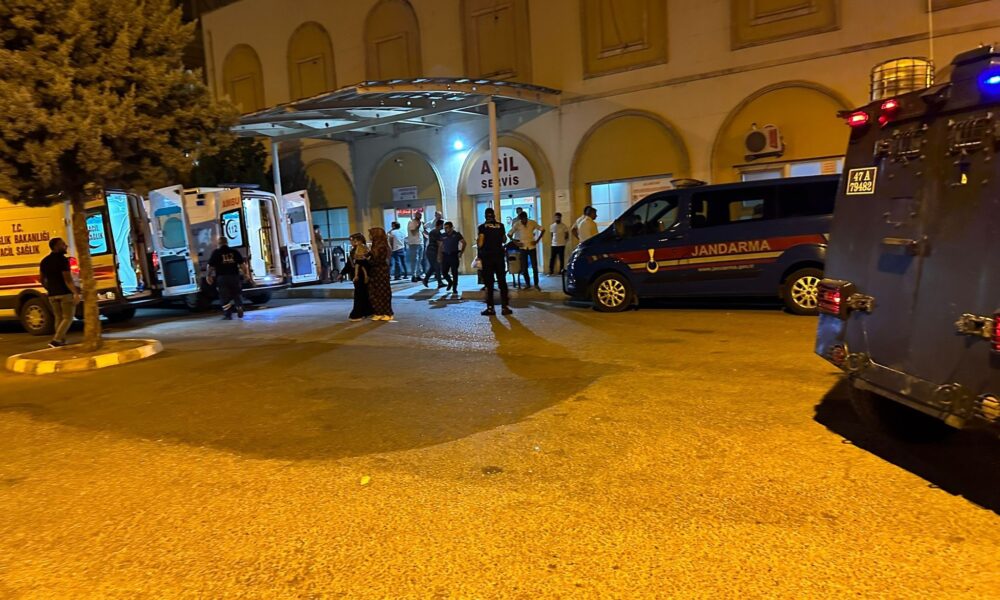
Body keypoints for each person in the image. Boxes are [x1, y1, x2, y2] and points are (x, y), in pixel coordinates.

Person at [39, 237, 80, 347]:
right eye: (63, 244)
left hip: (52, 294)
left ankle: (61, 340)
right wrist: (75, 293)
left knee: (58, 318)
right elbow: (68, 280)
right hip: (65, 294)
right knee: (68, 318)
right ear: (56, 247)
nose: (66, 246)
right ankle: (56, 340)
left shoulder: (44, 261)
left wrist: (49, 289)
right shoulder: (63, 260)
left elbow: (41, 279)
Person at [477, 207, 512, 316]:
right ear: (494, 215)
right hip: (499, 257)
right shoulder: (501, 226)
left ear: (485, 216)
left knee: (489, 283)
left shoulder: (482, 227)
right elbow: (504, 240)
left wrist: (479, 242)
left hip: (487, 258)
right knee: (502, 282)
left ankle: (490, 308)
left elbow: (480, 243)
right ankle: (505, 307)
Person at [207, 235, 250, 320]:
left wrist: (208, 276)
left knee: (224, 297)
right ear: (227, 243)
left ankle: (228, 314)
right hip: (234, 277)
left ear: (218, 243)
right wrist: (246, 274)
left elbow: (210, 266)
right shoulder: (234, 251)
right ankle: (239, 307)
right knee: (236, 293)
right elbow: (243, 265)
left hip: (222, 278)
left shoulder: (216, 252)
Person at [508, 211, 543, 291]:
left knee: (534, 267)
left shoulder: (532, 223)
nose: (523, 221)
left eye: (524, 219)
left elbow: (542, 229)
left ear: (526, 218)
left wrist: (537, 240)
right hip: (523, 248)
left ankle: (536, 284)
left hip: (531, 247)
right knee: (524, 267)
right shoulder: (517, 224)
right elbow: (509, 234)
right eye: (522, 220)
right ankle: (528, 284)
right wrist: (516, 243)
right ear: (520, 219)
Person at [367, 227, 395, 321]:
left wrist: (368, 261)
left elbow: (380, 260)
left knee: (383, 292)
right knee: (375, 292)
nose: (369, 236)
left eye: (371, 234)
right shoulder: (375, 245)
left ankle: (387, 312)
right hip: (374, 272)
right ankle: (378, 312)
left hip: (381, 272)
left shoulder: (382, 246)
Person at [347, 233, 373, 321]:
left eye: (354, 240)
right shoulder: (354, 250)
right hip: (359, 274)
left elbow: (360, 264)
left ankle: (358, 314)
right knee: (363, 294)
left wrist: (359, 275)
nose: (352, 242)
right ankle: (367, 312)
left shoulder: (362, 248)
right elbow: (351, 264)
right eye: (351, 241)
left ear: (360, 240)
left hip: (361, 275)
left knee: (360, 295)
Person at [438, 221, 466, 294]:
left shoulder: (456, 234)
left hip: (453, 255)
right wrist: (439, 256)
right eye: (444, 228)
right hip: (445, 255)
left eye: (447, 228)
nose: (445, 229)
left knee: (454, 272)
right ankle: (450, 282)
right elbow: (440, 246)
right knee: (444, 272)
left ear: (451, 228)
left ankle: (454, 288)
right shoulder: (443, 235)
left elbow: (464, 243)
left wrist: (461, 252)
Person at [422, 218, 445, 288]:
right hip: (433, 251)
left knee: (433, 267)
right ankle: (440, 283)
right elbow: (439, 244)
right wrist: (439, 254)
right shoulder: (437, 232)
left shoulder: (433, 231)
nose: (443, 227)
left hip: (430, 250)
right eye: (443, 225)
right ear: (440, 225)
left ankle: (425, 280)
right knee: (437, 266)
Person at [406, 211, 425, 282]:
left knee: (420, 259)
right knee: (414, 260)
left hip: (421, 243)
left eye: (421, 215)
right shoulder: (411, 222)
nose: (420, 217)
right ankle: (413, 276)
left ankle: (418, 275)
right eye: (418, 215)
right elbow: (413, 232)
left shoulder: (421, 223)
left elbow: (422, 233)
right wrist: (419, 225)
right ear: (415, 215)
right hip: (414, 243)